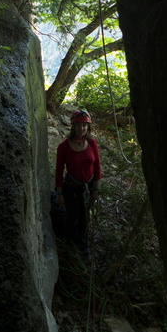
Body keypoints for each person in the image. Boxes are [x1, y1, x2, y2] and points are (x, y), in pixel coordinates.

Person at [55, 108, 102, 256]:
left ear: (88, 127)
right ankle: (71, 245)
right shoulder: (63, 147)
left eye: (84, 125)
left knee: (84, 218)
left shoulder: (92, 143)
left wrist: (96, 189)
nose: (81, 128)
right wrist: (60, 193)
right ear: (73, 126)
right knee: (72, 217)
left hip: (87, 187)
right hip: (72, 188)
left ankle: (83, 246)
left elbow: (97, 167)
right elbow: (58, 171)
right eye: (78, 125)